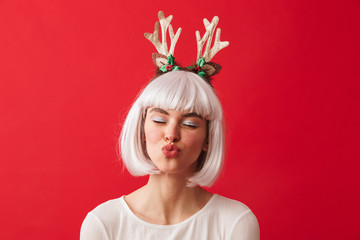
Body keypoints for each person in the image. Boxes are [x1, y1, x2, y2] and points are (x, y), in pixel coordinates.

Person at [80, 11, 259, 240]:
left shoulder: (235, 222)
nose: (171, 135)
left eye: (190, 124)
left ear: (208, 139)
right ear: (141, 131)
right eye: (159, 120)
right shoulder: (104, 223)